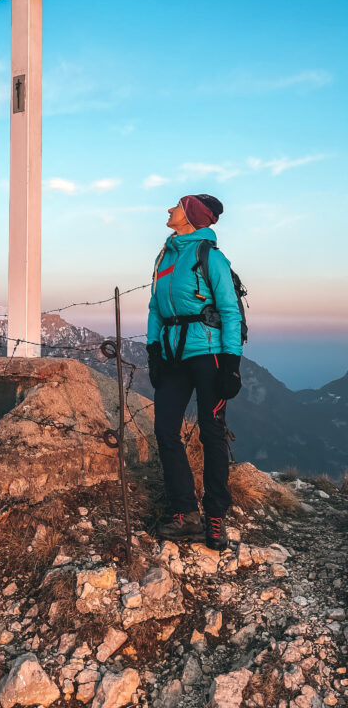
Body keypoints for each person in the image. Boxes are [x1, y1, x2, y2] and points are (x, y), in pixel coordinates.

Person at [146, 194, 243, 551]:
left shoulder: (210, 257)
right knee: (166, 430)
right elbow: (156, 306)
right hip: (173, 356)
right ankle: (185, 512)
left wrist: (231, 363)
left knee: (211, 432)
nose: (168, 210)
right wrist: (154, 349)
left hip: (209, 354)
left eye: (175, 206)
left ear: (188, 216)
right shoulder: (165, 257)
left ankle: (215, 515)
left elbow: (230, 311)